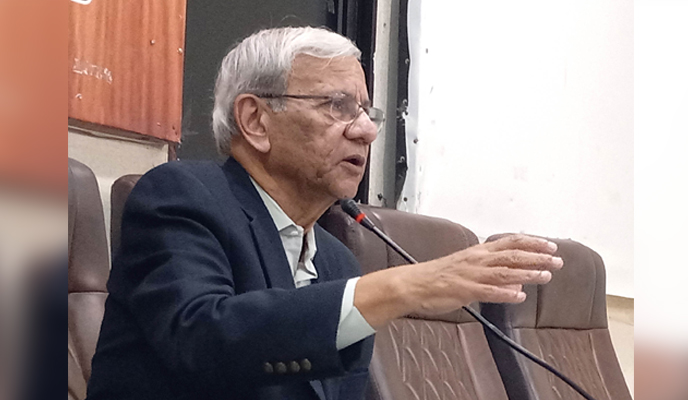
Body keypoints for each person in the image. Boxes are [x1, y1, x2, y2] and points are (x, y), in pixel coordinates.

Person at [86, 26, 562, 400]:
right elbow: (203, 337)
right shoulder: (182, 195)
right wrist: (402, 285)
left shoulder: (337, 262)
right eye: (339, 106)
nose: (366, 133)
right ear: (255, 120)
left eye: (367, 113)